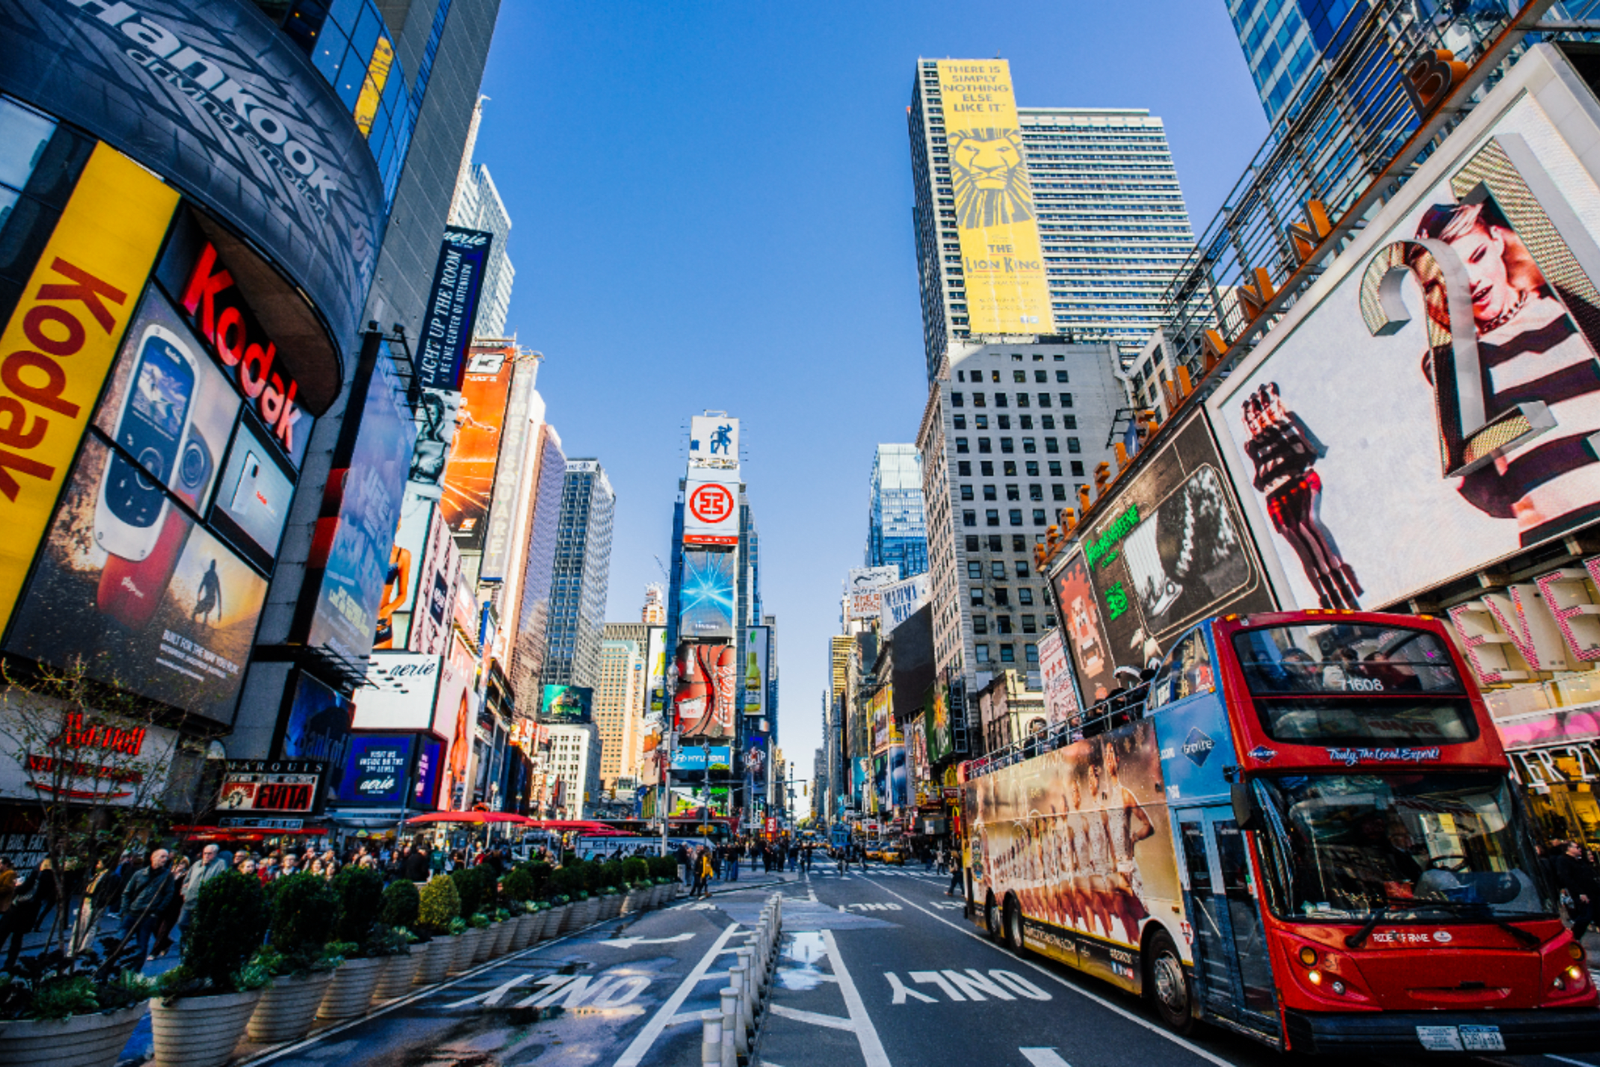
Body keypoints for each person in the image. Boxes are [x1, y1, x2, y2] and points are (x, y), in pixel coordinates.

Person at [118, 848, 176, 964]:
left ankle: (135, 971)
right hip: (132, 912)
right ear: (153, 858)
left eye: (166, 857)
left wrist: (157, 911)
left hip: (148, 915)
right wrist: (125, 911)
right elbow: (127, 892)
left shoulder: (167, 876)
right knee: (119, 941)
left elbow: (168, 895)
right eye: (162, 856)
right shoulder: (140, 874)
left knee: (142, 945)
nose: (165, 859)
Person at [176, 844, 228, 942]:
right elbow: (186, 880)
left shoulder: (220, 863)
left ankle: (193, 943)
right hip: (189, 899)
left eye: (209, 853)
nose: (206, 856)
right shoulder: (196, 864)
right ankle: (187, 940)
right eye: (205, 853)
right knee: (182, 922)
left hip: (205, 900)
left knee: (198, 925)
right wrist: (184, 893)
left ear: (215, 854)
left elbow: (223, 879)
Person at [1554, 840, 1600, 941]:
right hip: (1582, 893)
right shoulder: (1563, 861)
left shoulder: (1579, 860)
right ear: (1569, 849)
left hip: (1592, 891)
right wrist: (1579, 892)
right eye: (1576, 847)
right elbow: (1566, 878)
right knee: (1586, 916)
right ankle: (1573, 936)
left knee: (1595, 913)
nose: (1579, 849)